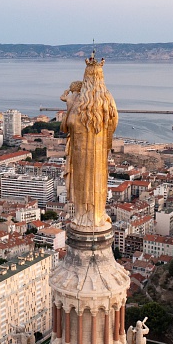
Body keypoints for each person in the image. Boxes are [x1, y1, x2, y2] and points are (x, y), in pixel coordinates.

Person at [60, 56, 118, 229]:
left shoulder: (78, 100)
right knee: (98, 182)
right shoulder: (107, 99)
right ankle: (97, 214)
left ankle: (83, 215)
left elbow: (67, 125)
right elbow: (114, 122)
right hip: (99, 153)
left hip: (80, 151)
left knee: (82, 183)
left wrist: (69, 107)